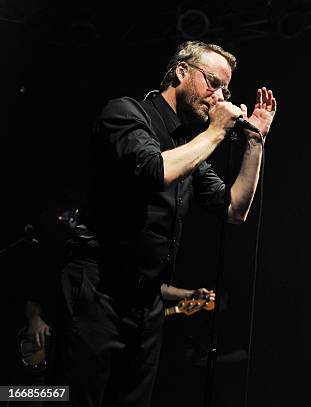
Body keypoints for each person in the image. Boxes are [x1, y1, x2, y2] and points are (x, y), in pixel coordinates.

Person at [58, 41, 276, 407]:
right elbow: (155, 171)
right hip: (97, 290)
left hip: (146, 302)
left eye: (225, 88)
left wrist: (255, 143)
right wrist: (217, 133)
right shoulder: (126, 114)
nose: (219, 96)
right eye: (213, 83)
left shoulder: (189, 145)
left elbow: (235, 209)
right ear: (181, 72)